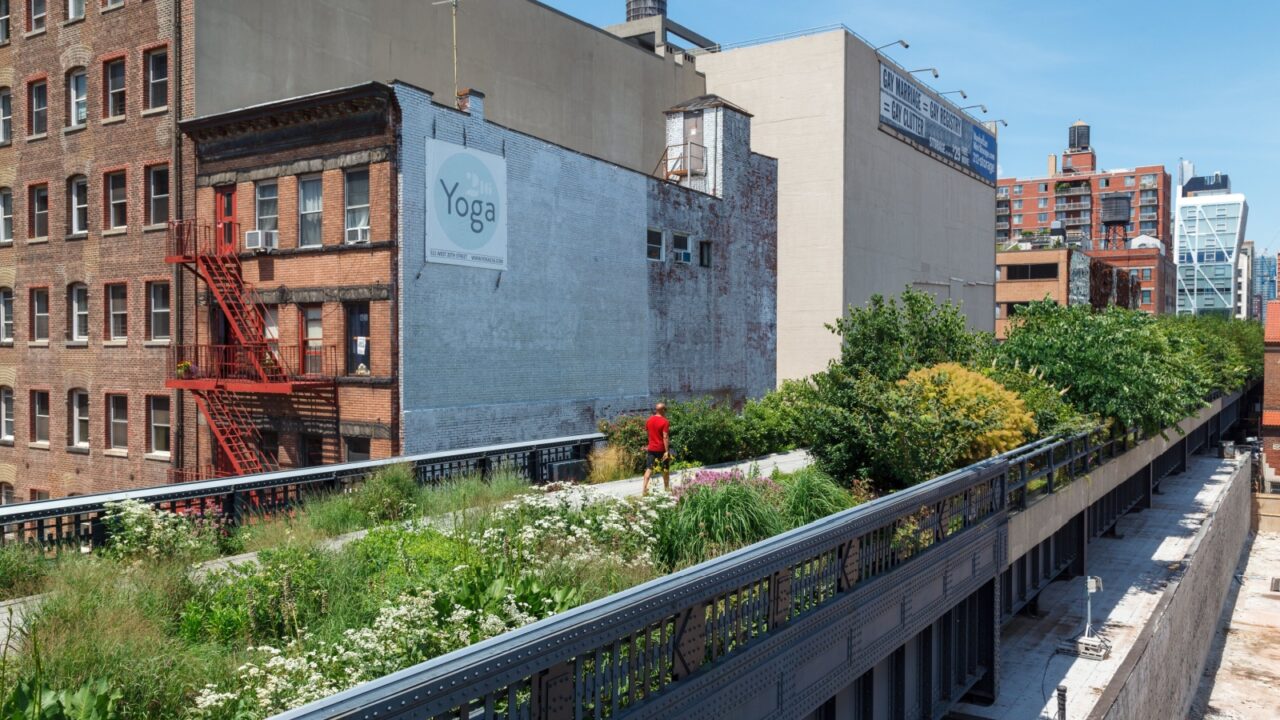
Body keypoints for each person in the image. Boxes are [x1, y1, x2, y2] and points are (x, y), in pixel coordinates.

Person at [642, 402, 671, 495]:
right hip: (661, 449)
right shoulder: (665, 421)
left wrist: (650, 444)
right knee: (665, 469)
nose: (665, 412)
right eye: (665, 409)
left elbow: (648, 433)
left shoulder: (649, 420)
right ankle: (666, 489)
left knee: (649, 468)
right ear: (662, 410)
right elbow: (665, 436)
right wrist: (666, 451)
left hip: (651, 449)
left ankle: (644, 490)